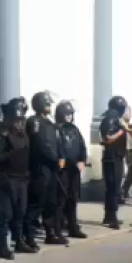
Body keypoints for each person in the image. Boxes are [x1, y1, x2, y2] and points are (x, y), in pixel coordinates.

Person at [0, 98, 32, 259]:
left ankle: (19, 241)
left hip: (21, 178)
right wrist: (12, 155)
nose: (19, 123)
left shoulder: (23, 134)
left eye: (21, 120)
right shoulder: (2, 133)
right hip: (7, 178)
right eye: (16, 120)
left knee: (20, 212)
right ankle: (2, 246)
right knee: (5, 214)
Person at [25, 91, 66, 247]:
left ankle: (51, 233)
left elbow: (57, 141)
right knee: (37, 202)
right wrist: (55, 159)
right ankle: (28, 237)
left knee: (51, 202)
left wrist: (61, 158)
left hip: (52, 168)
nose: (49, 106)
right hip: (40, 167)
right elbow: (41, 145)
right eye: (47, 103)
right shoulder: (34, 122)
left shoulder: (49, 123)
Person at [55, 100, 87, 240]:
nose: (69, 116)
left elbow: (82, 145)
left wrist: (82, 160)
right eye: (66, 114)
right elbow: (59, 149)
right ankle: (57, 229)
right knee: (61, 200)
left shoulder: (74, 129)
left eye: (70, 114)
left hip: (74, 170)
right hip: (63, 170)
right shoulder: (56, 129)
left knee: (73, 199)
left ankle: (73, 227)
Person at [99, 96, 128, 229]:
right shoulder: (111, 118)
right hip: (112, 158)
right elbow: (108, 138)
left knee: (111, 188)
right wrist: (122, 131)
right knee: (114, 188)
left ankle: (108, 216)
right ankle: (112, 218)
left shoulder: (112, 117)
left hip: (115, 157)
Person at [119, 107, 132, 201]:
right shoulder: (120, 122)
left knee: (131, 171)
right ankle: (128, 191)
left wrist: (127, 129)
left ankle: (124, 190)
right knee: (131, 171)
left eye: (126, 112)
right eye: (124, 112)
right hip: (125, 150)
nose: (124, 114)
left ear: (130, 113)